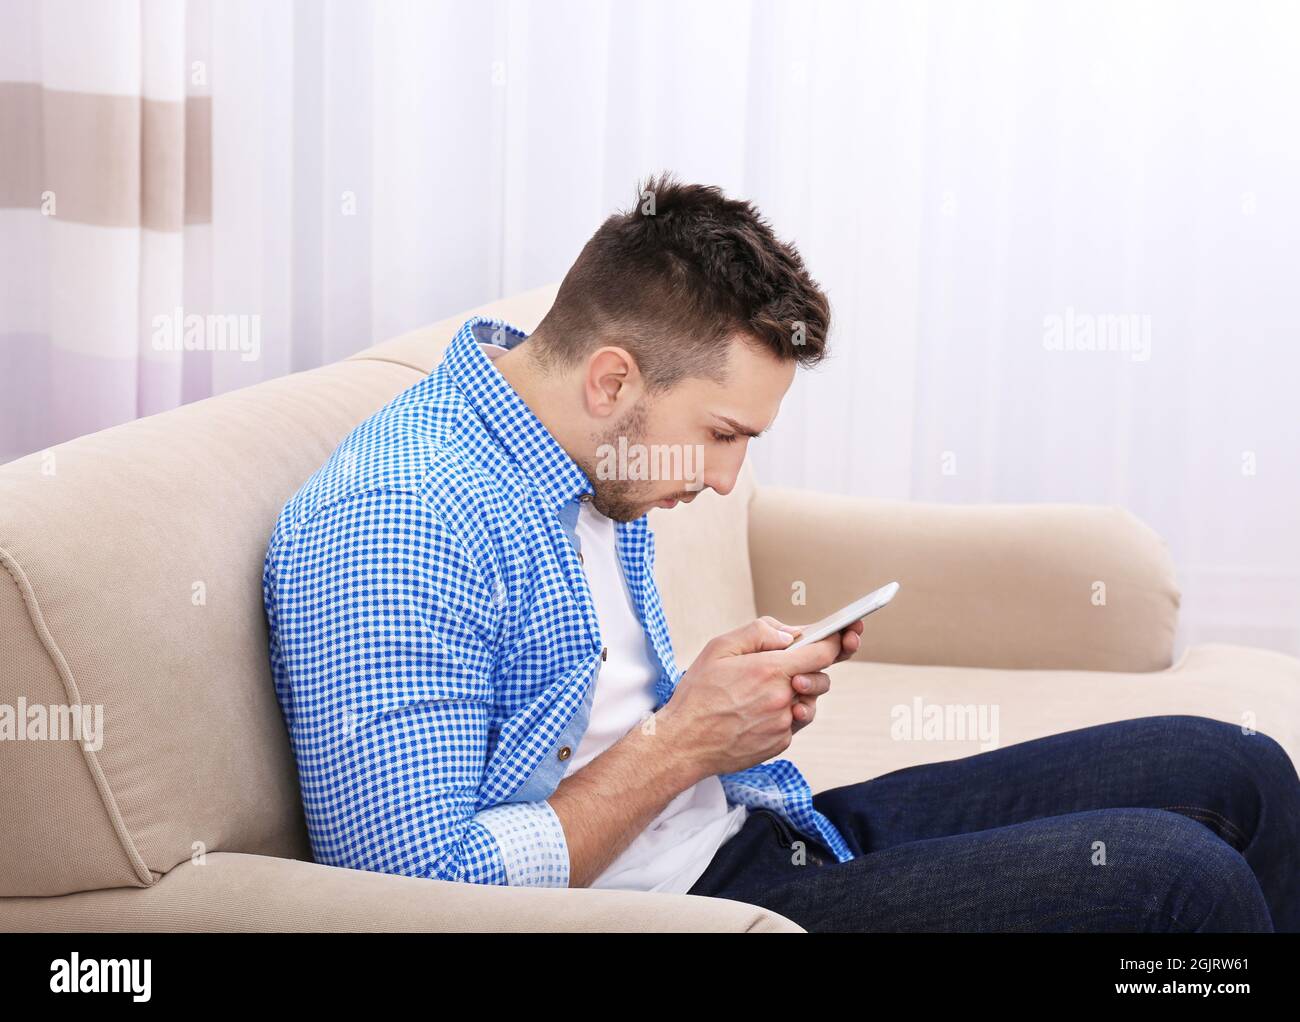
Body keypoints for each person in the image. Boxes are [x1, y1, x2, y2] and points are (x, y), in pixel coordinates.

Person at [262, 172, 1298, 931]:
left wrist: (724, 711)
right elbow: (408, 891)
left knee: (1238, 768)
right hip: (682, 910)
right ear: (614, 380)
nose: (720, 482)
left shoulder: (572, 443)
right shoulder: (399, 524)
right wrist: (682, 740)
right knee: (1179, 884)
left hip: (745, 833)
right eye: (722, 437)